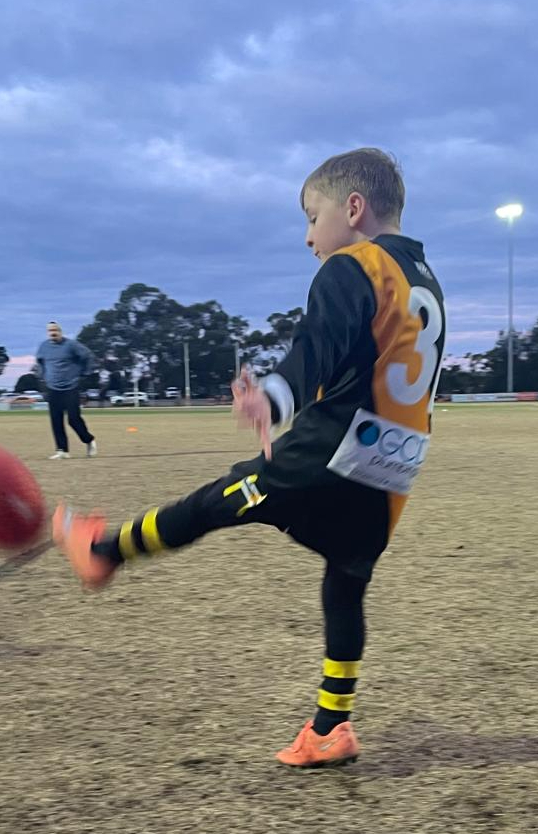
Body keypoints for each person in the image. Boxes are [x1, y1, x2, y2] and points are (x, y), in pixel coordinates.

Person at [52, 148, 446, 767]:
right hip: (395, 466)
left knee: (217, 501)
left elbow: (315, 348)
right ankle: (330, 729)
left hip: (333, 451)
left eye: (312, 218)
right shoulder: (424, 277)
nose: (309, 237)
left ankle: (104, 552)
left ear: (353, 209)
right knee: (345, 581)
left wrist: (274, 395)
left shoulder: (353, 265)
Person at [36, 321, 97, 460]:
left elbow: (87, 355)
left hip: (71, 387)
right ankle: (62, 450)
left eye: (55, 330)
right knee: (56, 420)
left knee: (73, 419)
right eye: (50, 330)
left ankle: (88, 440)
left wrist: (85, 372)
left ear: (60, 331)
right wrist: (42, 376)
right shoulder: (44, 347)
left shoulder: (71, 345)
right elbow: (40, 362)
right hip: (52, 388)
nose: (53, 333)